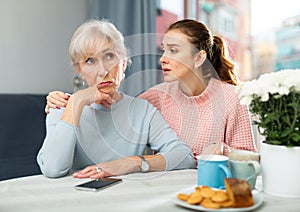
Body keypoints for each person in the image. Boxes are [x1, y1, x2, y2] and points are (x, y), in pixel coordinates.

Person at [44, 19, 257, 157]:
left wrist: (223, 151)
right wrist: (67, 100)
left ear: (199, 57)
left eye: (173, 51)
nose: (163, 59)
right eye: (164, 50)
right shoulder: (155, 98)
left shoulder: (231, 98)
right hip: (169, 190)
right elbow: (116, 105)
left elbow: (250, 159)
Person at [37, 19, 195, 179]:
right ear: (80, 70)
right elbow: (52, 169)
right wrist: (76, 103)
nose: (103, 71)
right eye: (90, 61)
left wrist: (133, 163)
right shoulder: (62, 106)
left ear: (124, 62)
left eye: (109, 56)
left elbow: (184, 156)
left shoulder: (142, 110)